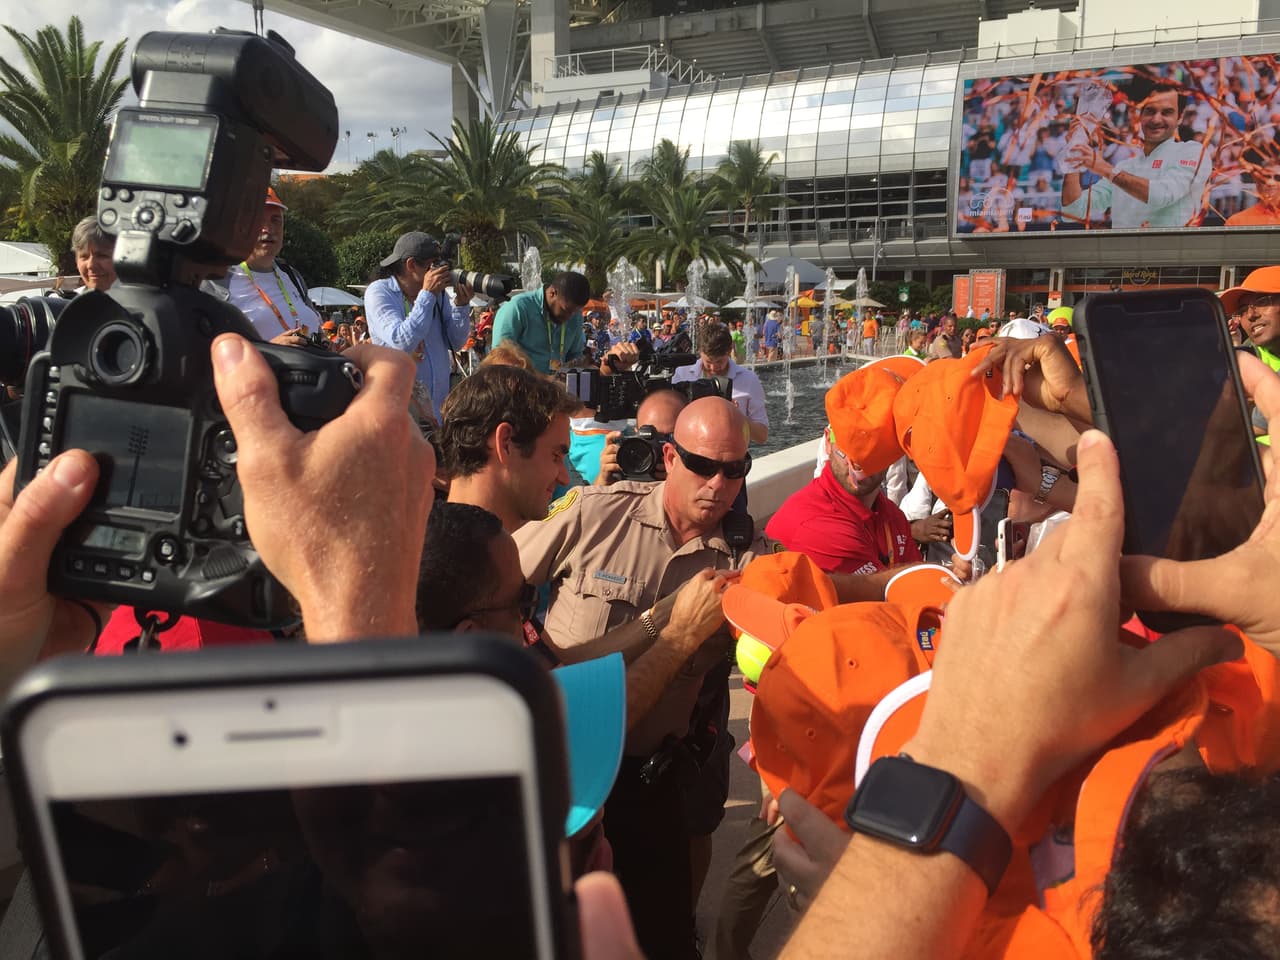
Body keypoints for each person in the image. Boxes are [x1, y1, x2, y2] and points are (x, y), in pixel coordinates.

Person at [514, 396, 770, 960]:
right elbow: (493, 582)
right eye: (703, 465)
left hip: (650, 785)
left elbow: (807, 606)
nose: (719, 484)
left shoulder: (745, 555)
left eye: (736, 470)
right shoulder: (591, 511)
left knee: (663, 940)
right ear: (671, 457)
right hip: (565, 773)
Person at [766, 363, 923, 577]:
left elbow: (916, 587)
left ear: (895, 456)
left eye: (872, 453)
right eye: (848, 451)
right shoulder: (815, 524)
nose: (855, 468)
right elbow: (885, 596)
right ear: (827, 442)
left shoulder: (892, 516)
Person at [438, 364, 581, 532]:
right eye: (555, 456)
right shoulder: (481, 555)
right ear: (505, 443)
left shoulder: (419, 545)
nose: (564, 478)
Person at [1061, 84, 1211, 229]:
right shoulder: (1125, 167)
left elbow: (1161, 195)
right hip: (1125, 254)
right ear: (1139, 114)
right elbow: (1072, 211)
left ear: (1180, 117)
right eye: (1150, 111)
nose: (1156, 119)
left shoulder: (1193, 152)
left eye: (1166, 112)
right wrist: (1075, 148)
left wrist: (1104, 169)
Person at [364, 231, 474, 423]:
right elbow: (401, 342)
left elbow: (456, 342)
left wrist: (462, 305)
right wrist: (427, 295)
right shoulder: (380, 292)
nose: (440, 270)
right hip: (399, 417)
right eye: (433, 265)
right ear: (411, 265)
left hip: (437, 417)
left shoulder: (437, 295)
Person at [217, 188, 322, 346]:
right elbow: (205, 349)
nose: (268, 229)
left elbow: (314, 324)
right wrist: (271, 350)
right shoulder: (218, 277)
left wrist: (323, 339)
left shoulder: (291, 275)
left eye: (275, 220)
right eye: (258, 221)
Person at [671, 322, 769, 444]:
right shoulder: (682, 373)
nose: (713, 368)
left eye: (719, 362)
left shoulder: (749, 379)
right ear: (700, 351)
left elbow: (762, 436)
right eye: (708, 362)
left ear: (729, 351)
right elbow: (670, 422)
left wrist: (736, 416)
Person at [491, 271, 592, 375]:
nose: (570, 316)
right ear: (552, 293)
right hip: (520, 385)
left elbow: (575, 354)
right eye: (565, 310)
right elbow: (500, 357)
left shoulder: (575, 317)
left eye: (575, 311)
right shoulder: (518, 308)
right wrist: (539, 380)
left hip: (556, 388)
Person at [595, 389, 687, 486]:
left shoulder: (698, 472)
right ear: (636, 433)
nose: (661, 448)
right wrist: (603, 481)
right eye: (650, 437)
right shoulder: (626, 469)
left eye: (670, 437)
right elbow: (589, 500)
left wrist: (682, 481)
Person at [70, 215, 116, 292]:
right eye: (84, 256)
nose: (91, 265)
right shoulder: (67, 302)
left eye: (101, 256)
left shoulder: (141, 302)